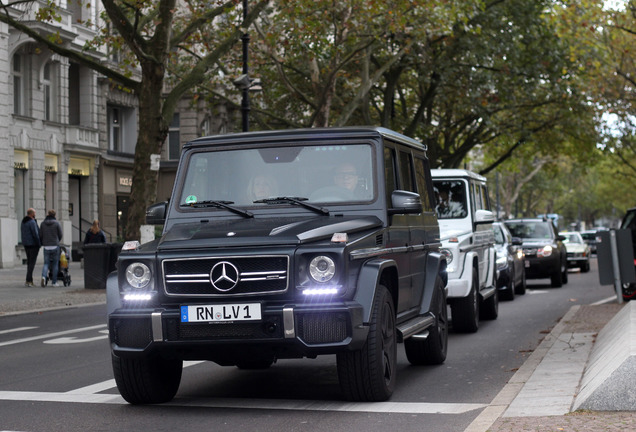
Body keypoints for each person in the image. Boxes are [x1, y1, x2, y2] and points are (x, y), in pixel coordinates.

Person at [39, 209, 63, 287]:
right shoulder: (57, 223)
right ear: (54, 215)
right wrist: (57, 240)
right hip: (55, 245)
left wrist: (43, 242)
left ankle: (43, 276)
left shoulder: (43, 224)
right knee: (55, 264)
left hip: (46, 246)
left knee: (46, 263)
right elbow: (60, 234)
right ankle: (54, 282)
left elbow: (40, 235)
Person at [20, 208, 41, 287]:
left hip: (26, 244)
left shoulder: (23, 221)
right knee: (32, 262)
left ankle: (29, 280)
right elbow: (35, 234)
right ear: (32, 214)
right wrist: (39, 243)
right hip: (33, 244)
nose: (35, 214)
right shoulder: (32, 222)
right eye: (34, 213)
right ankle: (29, 280)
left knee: (29, 262)